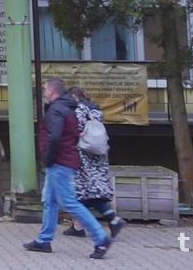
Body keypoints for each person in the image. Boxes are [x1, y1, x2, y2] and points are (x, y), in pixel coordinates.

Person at [23, 77, 114, 259]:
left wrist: (48, 158)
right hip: (62, 161)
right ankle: (44, 240)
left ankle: (101, 238)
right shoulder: (66, 108)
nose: (44, 92)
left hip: (60, 162)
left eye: (45, 89)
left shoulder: (57, 110)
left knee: (70, 203)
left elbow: (55, 137)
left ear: (52, 91)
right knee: (50, 201)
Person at [63, 86, 127, 239]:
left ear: (74, 96)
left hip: (83, 155)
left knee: (83, 193)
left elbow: (75, 131)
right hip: (98, 156)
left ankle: (106, 222)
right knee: (91, 193)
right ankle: (81, 226)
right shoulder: (96, 110)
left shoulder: (79, 109)